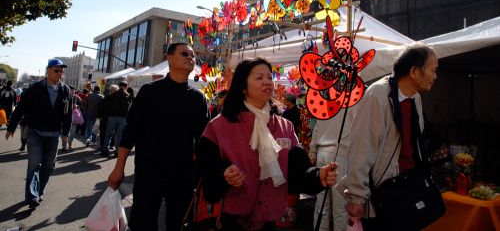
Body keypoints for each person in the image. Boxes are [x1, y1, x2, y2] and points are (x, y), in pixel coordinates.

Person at [197, 58, 338, 231]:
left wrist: (317, 176)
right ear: (242, 86)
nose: (267, 82)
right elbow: (206, 163)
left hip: (271, 222)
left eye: (269, 77)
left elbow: (298, 166)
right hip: (230, 221)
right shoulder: (220, 125)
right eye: (259, 78)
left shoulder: (284, 126)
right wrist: (223, 171)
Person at [107, 42, 210, 230]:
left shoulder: (198, 98)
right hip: (149, 173)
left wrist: (202, 174)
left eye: (192, 55)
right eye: (184, 53)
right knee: (143, 223)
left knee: (179, 224)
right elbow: (130, 133)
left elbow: (204, 141)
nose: (190, 57)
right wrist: (118, 168)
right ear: (169, 58)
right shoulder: (149, 92)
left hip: (183, 176)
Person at [336, 42, 438, 230]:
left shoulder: (415, 98)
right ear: (414, 71)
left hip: (407, 188)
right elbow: (361, 148)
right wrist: (357, 196)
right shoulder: (378, 94)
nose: (435, 76)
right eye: (432, 70)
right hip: (382, 193)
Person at [5, 58, 73, 208]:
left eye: (61, 72)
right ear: (48, 71)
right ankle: (32, 196)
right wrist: (11, 127)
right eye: (56, 71)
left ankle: (39, 191)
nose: (59, 74)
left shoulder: (65, 90)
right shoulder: (35, 88)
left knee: (48, 166)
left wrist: (66, 133)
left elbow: (68, 114)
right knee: (35, 163)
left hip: (54, 135)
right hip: (35, 133)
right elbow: (21, 108)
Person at [309, 109, 354, 231]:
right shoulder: (353, 105)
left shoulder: (326, 106)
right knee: (340, 205)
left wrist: (312, 152)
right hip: (341, 154)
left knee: (321, 204)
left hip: (321, 152)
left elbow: (316, 129)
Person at [101, 80, 130, 158]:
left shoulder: (113, 94)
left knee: (108, 134)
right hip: (123, 118)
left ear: (119, 86)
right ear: (126, 87)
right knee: (119, 135)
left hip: (112, 117)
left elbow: (107, 105)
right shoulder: (127, 95)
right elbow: (129, 109)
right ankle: (117, 151)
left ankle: (105, 150)